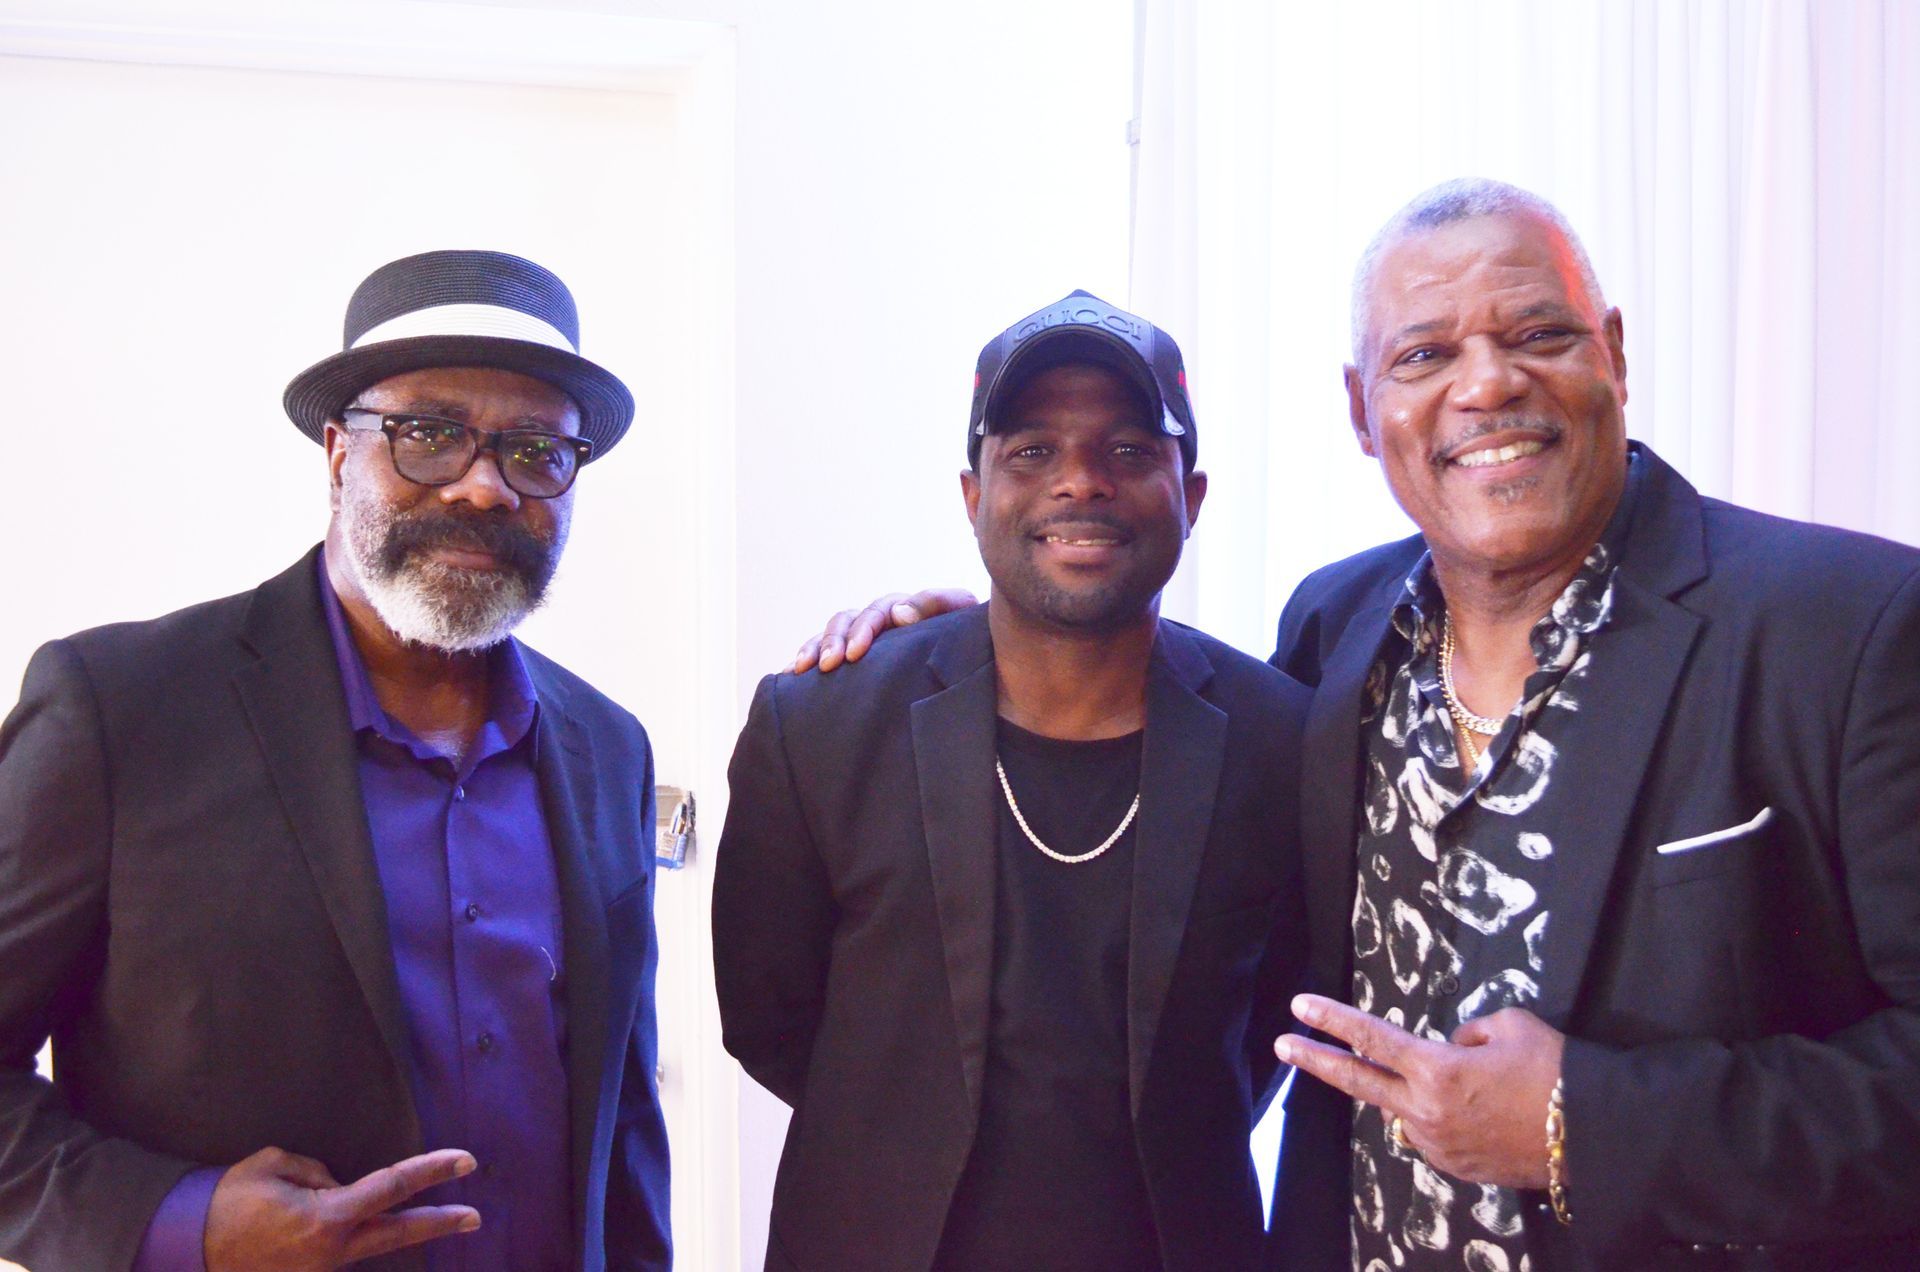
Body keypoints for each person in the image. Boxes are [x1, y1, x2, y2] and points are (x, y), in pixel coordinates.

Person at [794, 181, 1920, 1270]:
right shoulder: (1335, 634)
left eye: (1538, 334)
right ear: (1362, 409)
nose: (1488, 384)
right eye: (1425, 355)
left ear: (1613, 354)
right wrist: (966, 642)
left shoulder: (1851, 628)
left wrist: (1585, 1123)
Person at [0, 250, 671, 1272]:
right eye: (430, 434)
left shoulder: (607, 748)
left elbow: (621, 1122)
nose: (486, 487)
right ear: (336, 452)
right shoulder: (121, 711)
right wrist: (182, 1223)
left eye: (536, 451)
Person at [713, 291, 1312, 1271]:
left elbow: (1277, 1024)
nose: (1080, 481)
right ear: (973, 495)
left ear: (1192, 496)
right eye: (1032, 451)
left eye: (1129, 450)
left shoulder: (1281, 742)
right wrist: (895, 1131)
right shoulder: (821, 725)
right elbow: (769, 1018)